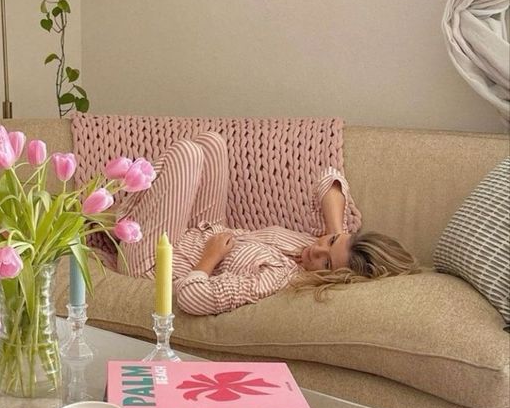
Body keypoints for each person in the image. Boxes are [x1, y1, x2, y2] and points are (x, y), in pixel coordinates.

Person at [118, 132, 419, 315]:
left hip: (159, 262)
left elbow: (192, 298)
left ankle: (117, 216)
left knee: (187, 153)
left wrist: (209, 259)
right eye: (328, 244)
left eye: (326, 265)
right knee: (211, 144)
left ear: (333, 279)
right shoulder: (310, 243)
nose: (315, 253)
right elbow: (329, 177)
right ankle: (121, 215)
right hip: (201, 229)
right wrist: (335, 233)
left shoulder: (277, 279)